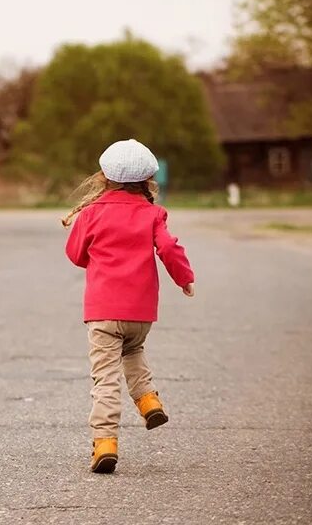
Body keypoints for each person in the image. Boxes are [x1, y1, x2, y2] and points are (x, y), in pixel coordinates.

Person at [62, 139, 195, 474]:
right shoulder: (152, 213)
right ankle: (148, 400)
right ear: (148, 181)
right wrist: (184, 278)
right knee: (133, 350)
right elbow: (168, 248)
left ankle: (105, 442)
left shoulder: (91, 214)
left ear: (103, 178)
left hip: (103, 311)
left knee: (105, 377)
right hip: (140, 311)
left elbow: (76, 254)